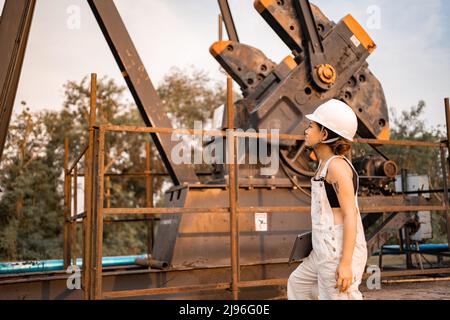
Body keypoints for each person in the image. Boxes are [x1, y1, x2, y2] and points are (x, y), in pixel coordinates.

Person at [287, 99, 368, 300]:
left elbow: (351, 214)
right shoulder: (324, 165)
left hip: (338, 250)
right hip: (323, 248)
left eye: (311, 126)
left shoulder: (337, 168)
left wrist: (346, 263)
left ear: (324, 134)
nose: (306, 130)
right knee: (299, 285)